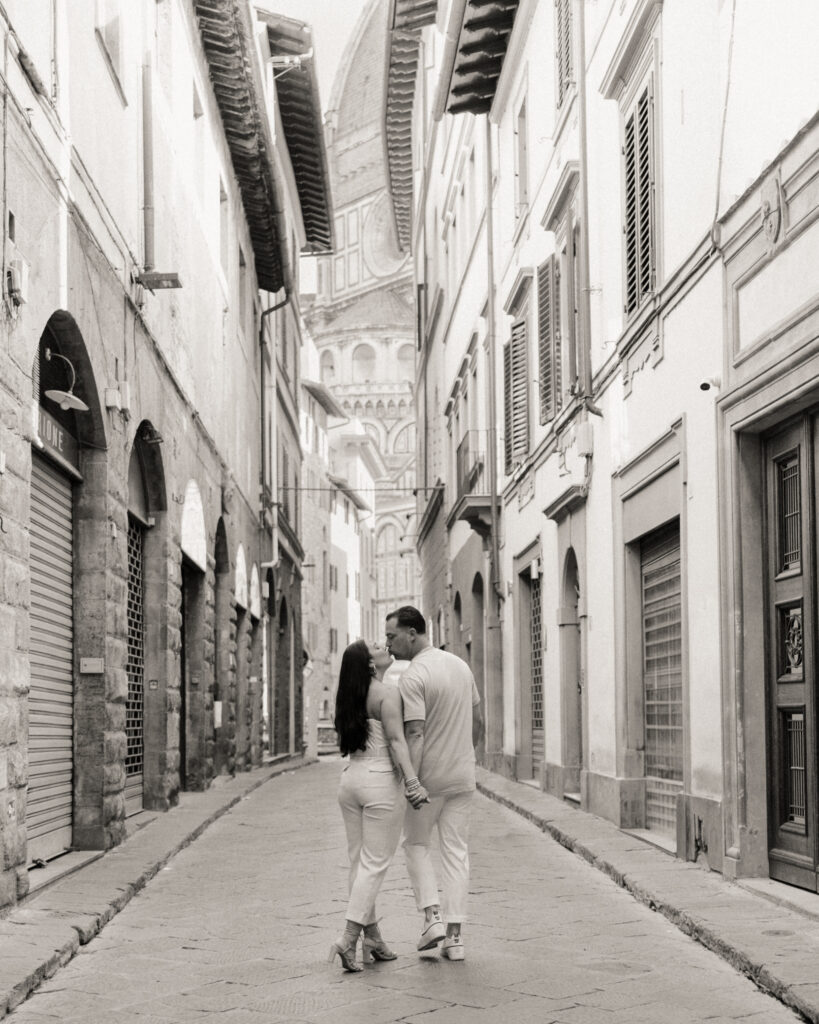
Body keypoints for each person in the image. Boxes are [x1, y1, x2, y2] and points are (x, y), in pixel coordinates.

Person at [385, 606, 483, 963]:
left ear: (412, 633)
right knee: (456, 852)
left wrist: (411, 779)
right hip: (462, 776)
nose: (389, 645)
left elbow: (415, 732)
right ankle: (455, 938)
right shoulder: (460, 665)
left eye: (392, 636)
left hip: (428, 780)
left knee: (415, 845)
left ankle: (432, 917)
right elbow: (478, 720)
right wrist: (466, 756)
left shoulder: (413, 677)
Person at [328, 639, 429, 973]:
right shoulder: (387, 695)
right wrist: (413, 782)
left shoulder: (347, 696)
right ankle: (347, 938)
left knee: (359, 864)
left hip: (350, 779)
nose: (382, 645)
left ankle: (373, 938)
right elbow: (399, 742)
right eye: (374, 648)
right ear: (370, 664)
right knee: (374, 865)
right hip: (380, 780)